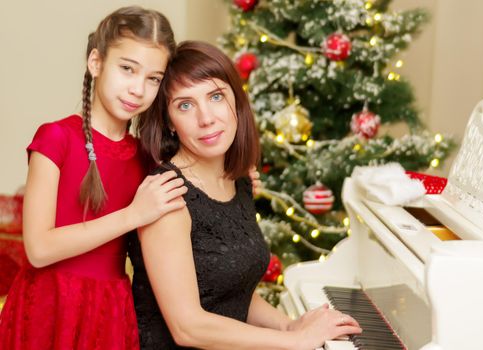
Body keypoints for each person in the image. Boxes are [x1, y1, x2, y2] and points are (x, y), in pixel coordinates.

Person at [129, 40, 362, 350]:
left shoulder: (238, 181)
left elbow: (231, 291)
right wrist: (293, 340)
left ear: (235, 101)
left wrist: (288, 324)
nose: (206, 118)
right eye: (185, 105)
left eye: (215, 97)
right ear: (170, 123)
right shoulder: (168, 197)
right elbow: (188, 328)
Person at [0, 6, 187, 350]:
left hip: (109, 313)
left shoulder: (145, 157)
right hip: (48, 306)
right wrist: (132, 215)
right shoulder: (56, 138)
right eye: (127, 69)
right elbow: (39, 249)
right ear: (96, 62)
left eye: (153, 78)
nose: (138, 89)